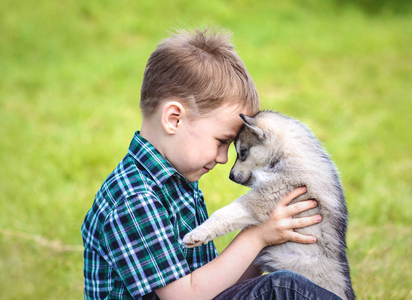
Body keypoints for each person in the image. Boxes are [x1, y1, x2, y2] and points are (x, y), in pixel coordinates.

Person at [81, 28, 341, 300]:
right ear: (174, 119)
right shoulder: (135, 199)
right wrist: (255, 237)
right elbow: (184, 297)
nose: (223, 158)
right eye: (221, 141)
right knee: (281, 289)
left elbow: (214, 287)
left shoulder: (176, 184)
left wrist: (268, 238)